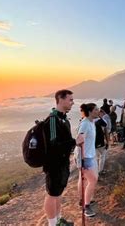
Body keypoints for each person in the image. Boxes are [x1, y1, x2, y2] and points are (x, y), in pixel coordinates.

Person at [42, 89, 76, 226]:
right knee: (52, 194)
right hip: (54, 165)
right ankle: (52, 224)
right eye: (70, 100)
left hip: (62, 163)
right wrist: (74, 142)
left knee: (58, 193)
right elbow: (54, 146)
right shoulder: (52, 120)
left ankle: (58, 221)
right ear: (61, 100)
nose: (72, 103)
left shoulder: (63, 119)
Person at [75, 103, 100, 217]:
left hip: (89, 155)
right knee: (93, 180)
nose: (98, 111)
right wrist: (83, 159)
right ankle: (86, 206)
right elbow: (79, 140)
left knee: (83, 178)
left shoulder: (91, 122)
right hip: (85, 156)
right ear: (90, 112)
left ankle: (83, 200)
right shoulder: (85, 124)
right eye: (96, 110)